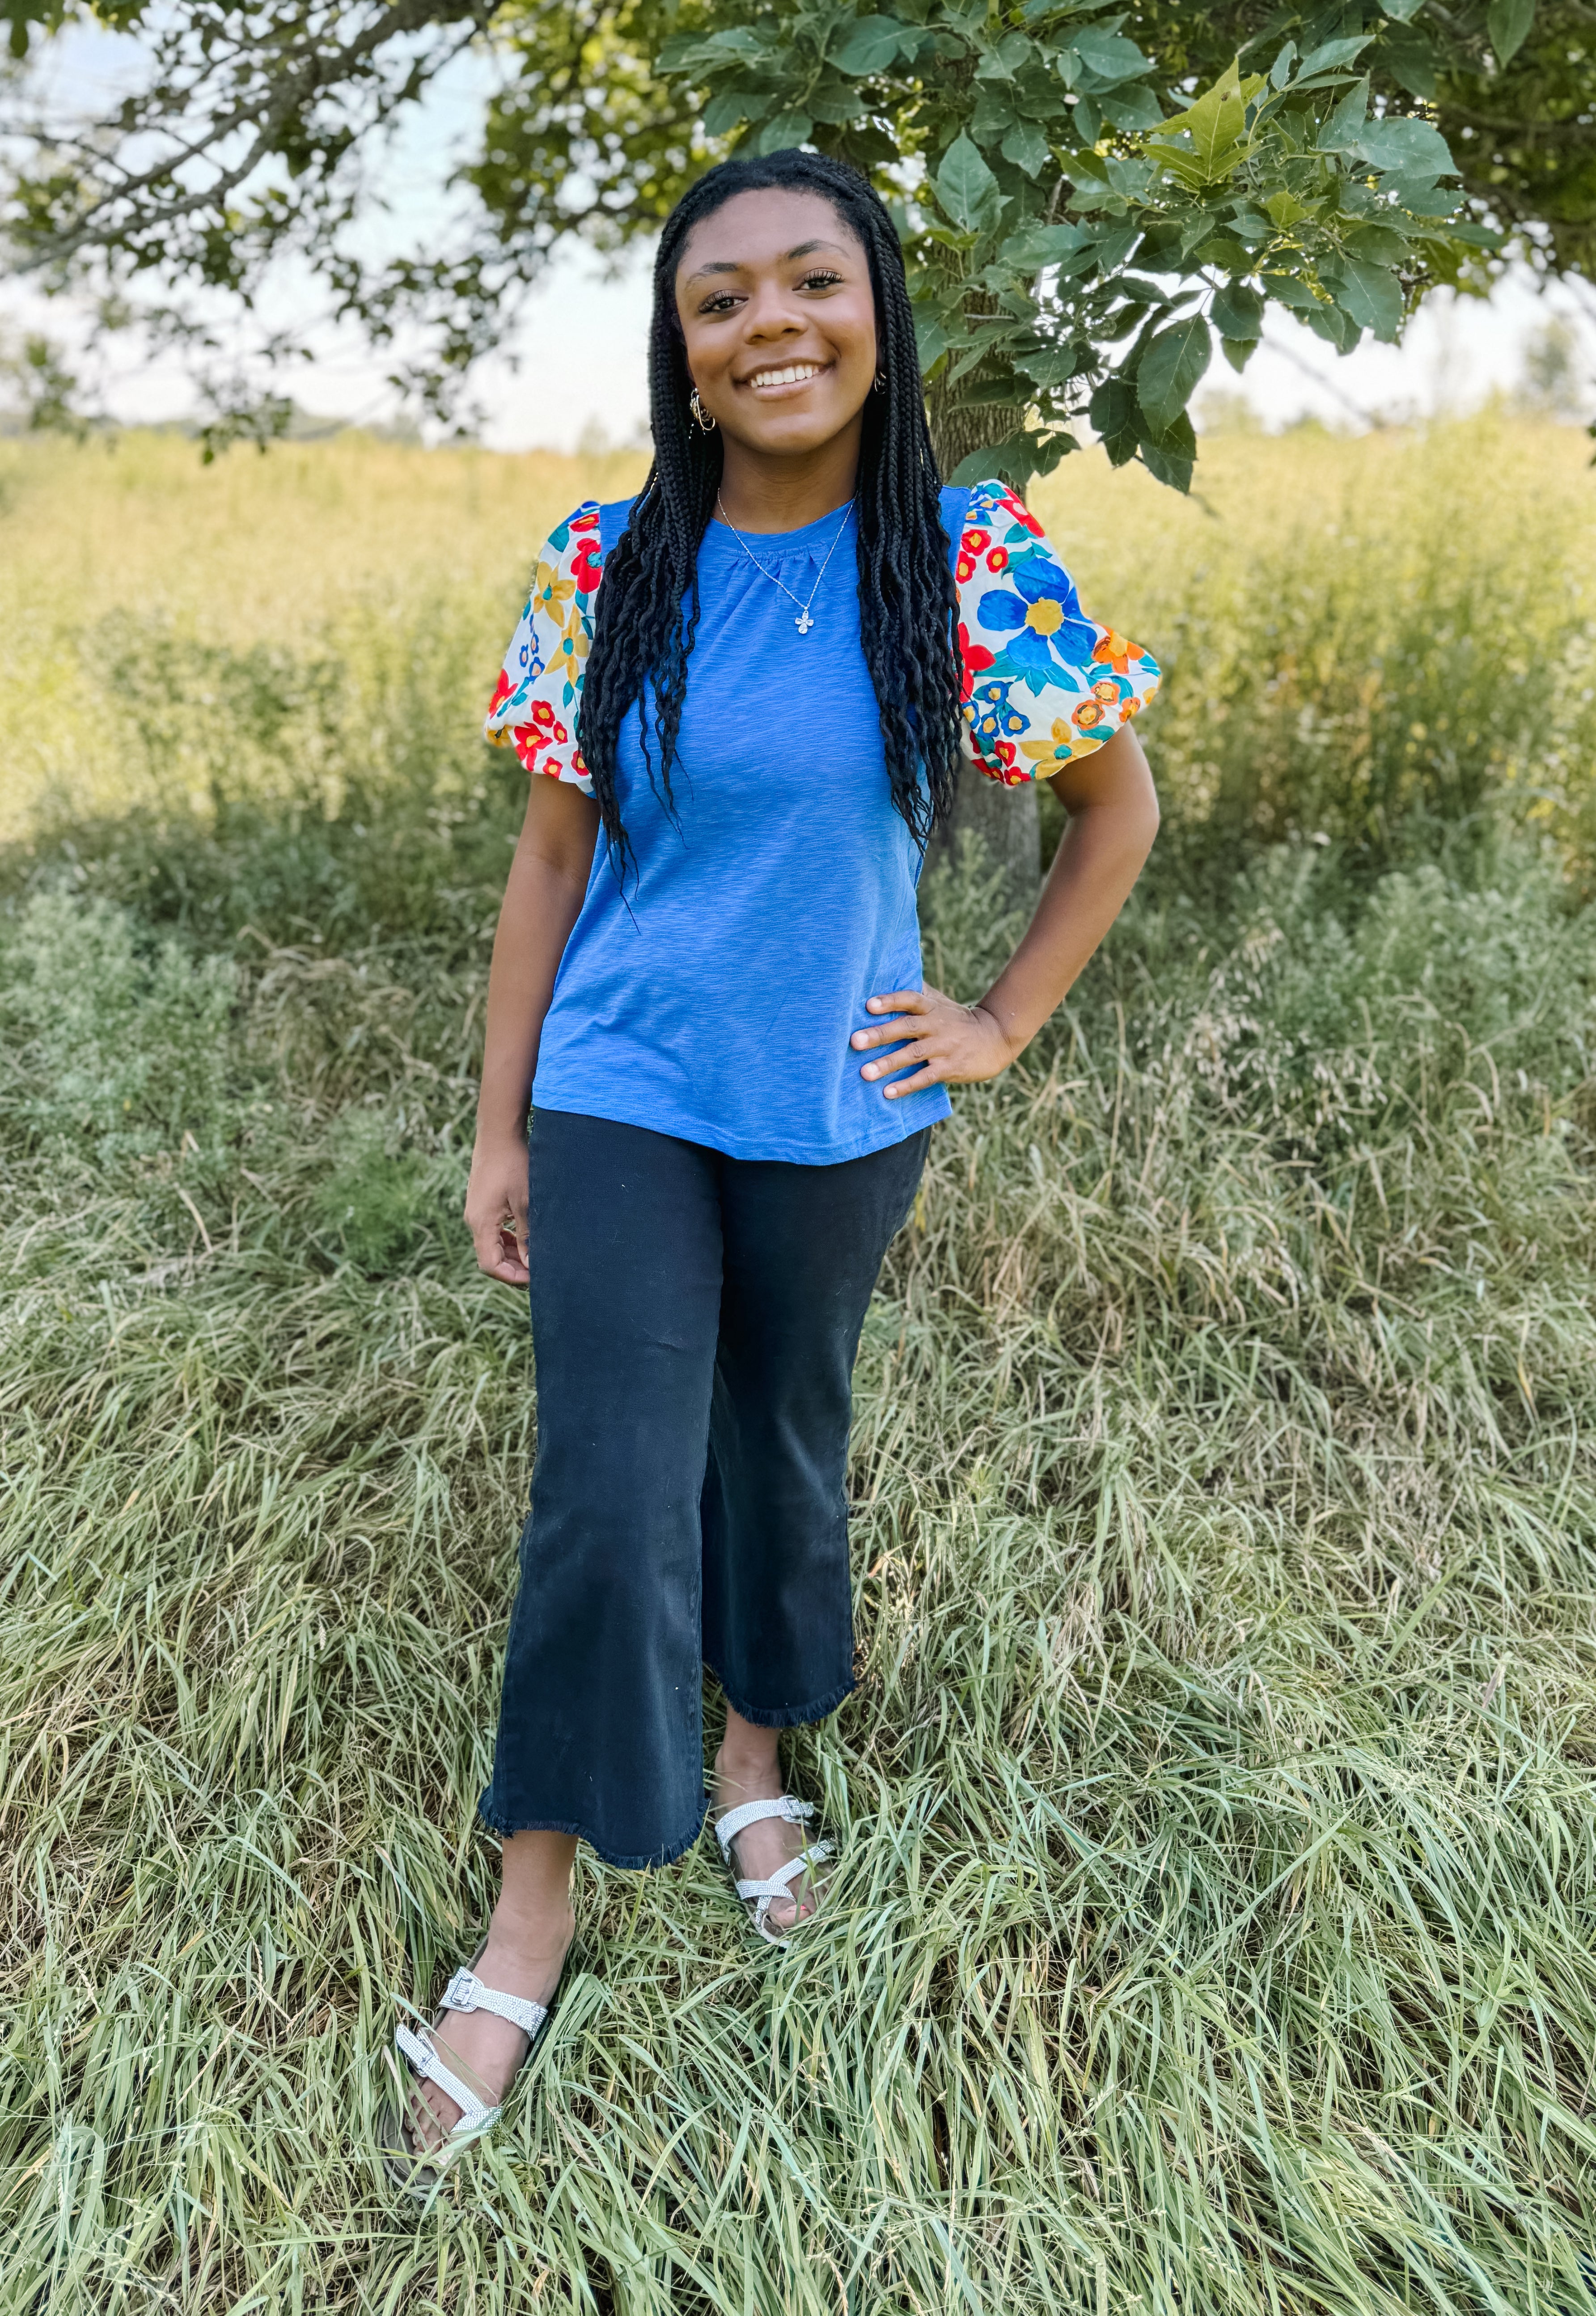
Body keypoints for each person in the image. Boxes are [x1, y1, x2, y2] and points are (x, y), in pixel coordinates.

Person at [380, 146, 1161, 2182]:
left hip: (839, 1100)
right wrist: (496, 1119)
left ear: (875, 311)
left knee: (780, 1432)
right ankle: (530, 1909)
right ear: (683, 348)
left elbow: (1114, 804)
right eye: (719, 300)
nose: (769, 326)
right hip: (622, 1080)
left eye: (810, 283)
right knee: (606, 1484)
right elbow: (549, 860)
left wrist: (988, 1021)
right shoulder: (605, 555)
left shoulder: (969, 555)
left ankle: (753, 1748)